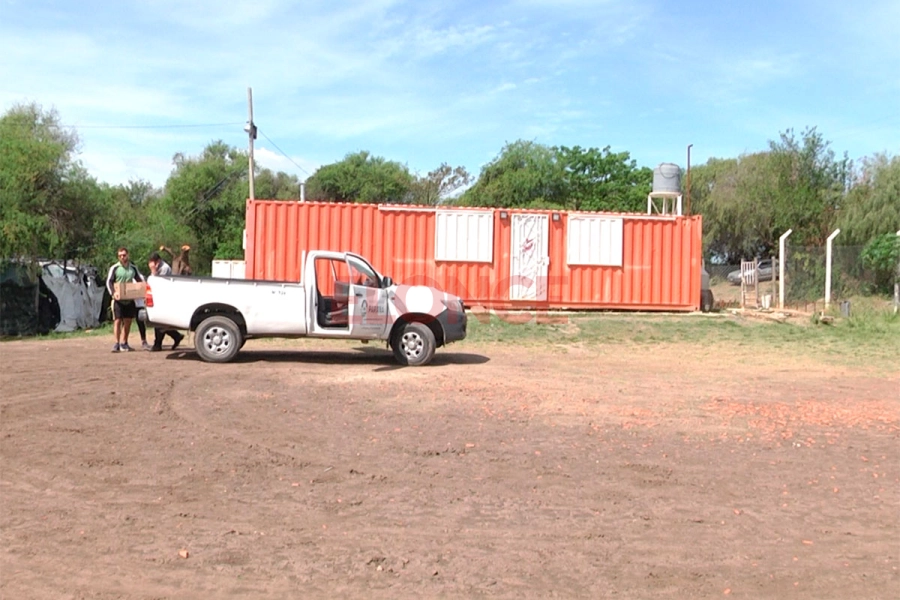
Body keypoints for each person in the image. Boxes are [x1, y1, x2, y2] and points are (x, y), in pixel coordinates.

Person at [106, 247, 145, 353]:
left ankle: (124, 342)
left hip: (129, 299)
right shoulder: (115, 268)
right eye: (120, 255)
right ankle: (116, 343)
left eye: (124, 255)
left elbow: (139, 281)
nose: (122, 257)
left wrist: (140, 291)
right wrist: (114, 293)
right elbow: (109, 282)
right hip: (118, 300)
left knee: (128, 321)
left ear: (128, 255)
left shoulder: (133, 268)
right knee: (117, 321)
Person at [147, 251, 185, 351]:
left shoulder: (164, 268)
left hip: (163, 298)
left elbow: (156, 282)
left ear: (158, 261)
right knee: (160, 322)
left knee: (159, 322)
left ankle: (158, 344)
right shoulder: (160, 267)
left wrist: (153, 270)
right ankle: (176, 336)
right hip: (157, 297)